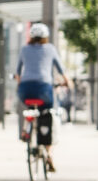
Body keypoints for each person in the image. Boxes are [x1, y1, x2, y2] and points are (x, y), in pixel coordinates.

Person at [16, 24, 72, 169]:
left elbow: (18, 74)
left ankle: (26, 128)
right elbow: (61, 70)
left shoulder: (24, 49)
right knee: (48, 113)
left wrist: (20, 85)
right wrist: (67, 82)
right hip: (44, 89)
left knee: (29, 106)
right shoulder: (50, 49)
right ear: (45, 37)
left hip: (25, 89)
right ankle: (49, 152)